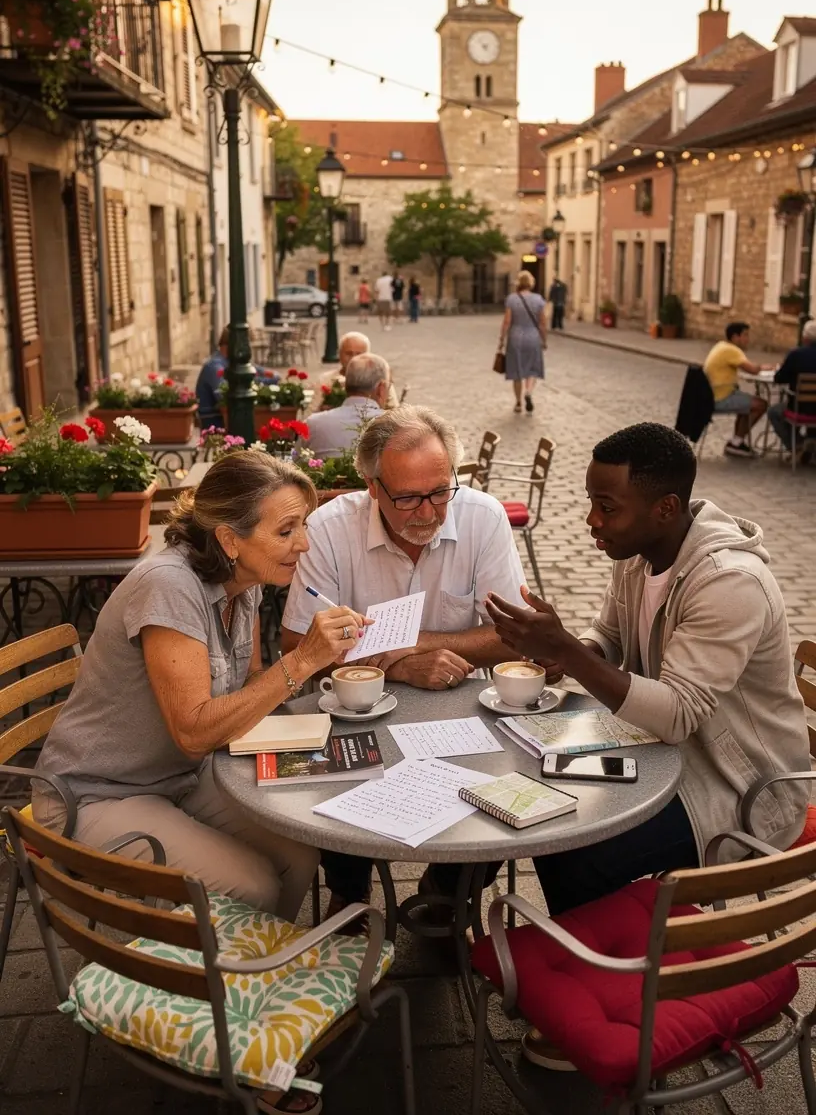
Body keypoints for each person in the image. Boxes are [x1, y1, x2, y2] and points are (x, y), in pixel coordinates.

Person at [485, 422, 808, 1069]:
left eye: (608, 506)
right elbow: (607, 640)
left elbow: (681, 714)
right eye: (590, 501)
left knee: (571, 841)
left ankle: (604, 979)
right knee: (537, 799)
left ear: (666, 509)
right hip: (658, 755)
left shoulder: (728, 583)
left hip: (733, 785)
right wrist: (565, 657)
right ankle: (591, 956)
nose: (590, 521)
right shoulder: (641, 555)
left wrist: (572, 656)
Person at [32, 452, 372, 924]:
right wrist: (300, 661)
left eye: (305, 526)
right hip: (96, 793)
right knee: (253, 884)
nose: (305, 544)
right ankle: (228, 983)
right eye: (287, 530)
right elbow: (194, 731)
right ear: (230, 539)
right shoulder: (169, 586)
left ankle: (256, 970)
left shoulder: (245, 581)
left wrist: (314, 666)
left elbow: (250, 687)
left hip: (180, 775)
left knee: (303, 854)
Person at [281, 405, 528, 920]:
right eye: (408, 498)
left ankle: (447, 895)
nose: (428, 512)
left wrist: (421, 641)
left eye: (440, 491)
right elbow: (295, 644)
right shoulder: (329, 529)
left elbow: (516, 637)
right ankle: (349, 897)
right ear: (372, 487)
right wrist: (396, 668)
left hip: (464, 706)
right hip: (353, 709)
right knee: (333, 777)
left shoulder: (482, 517)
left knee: (511, 786)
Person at [702, 321, 767, 458]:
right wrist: (767, 367)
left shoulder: (721, 346)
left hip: (711, 395)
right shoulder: (731, 350)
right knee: (761, 405)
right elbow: (752, 369)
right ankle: (736, 442)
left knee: (746, 402)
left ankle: (737, 442)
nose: (747, 339)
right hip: (720, 397)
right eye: (745, 335)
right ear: (735, 337)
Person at [306, 353, 390, 458]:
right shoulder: (394, 427)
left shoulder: (313, 423)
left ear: (345, 385)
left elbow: (296, 463)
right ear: (381, 389)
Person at [195, 325, 275, 430]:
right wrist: (263, 381)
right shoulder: (214, 367)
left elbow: (259, 371)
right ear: (233, 345)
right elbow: (223, 396)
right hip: (216, 423)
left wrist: (270, 376)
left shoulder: (231, 361)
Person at [499, 270, 547, 414]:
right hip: (533, 336)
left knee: (516, 371)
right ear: (531, 283)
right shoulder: (538, 299)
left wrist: (502, 339)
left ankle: (519, 403)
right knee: (532, 368)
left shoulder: (512, 299)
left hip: (515, 337)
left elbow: (507, 321)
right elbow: (543, 323)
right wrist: (544, 340)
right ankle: (528, 392)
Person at [768, 318, 816, 458]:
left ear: (805, 337)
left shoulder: (796, 355)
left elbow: (779, 379)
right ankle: (810, 442)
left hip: (798, 407)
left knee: (774, 412)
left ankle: (797, 445)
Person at [317, 331, 398, 411]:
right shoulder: (325, 379)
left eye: (359, 354)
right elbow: (312, 410)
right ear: (339, 354)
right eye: (349, 353)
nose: (353, 358)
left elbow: (394, 409)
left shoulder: (381, 381)